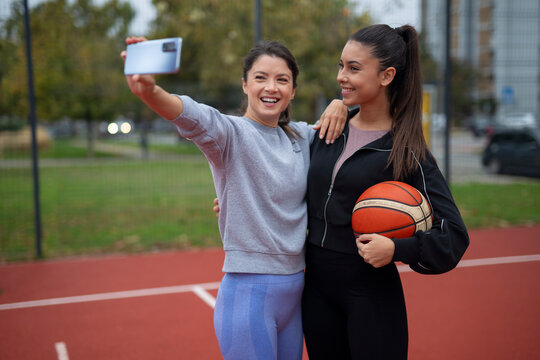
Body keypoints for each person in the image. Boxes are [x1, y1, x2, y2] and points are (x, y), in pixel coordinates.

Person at [121, 37, 345, 360]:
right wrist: (149, 93)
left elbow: (351, 127)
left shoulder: (302, 137)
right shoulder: (231, 135)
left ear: (293, 90)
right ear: (244, 85)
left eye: (282, 80)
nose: (272, 87)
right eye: (260, 78)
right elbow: (194, 117)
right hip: (248, 296)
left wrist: (341, 105)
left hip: (295, 291)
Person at [302, 24, 469, 359]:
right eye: (341, 66)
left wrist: (397, 248)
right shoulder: (327, 131)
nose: (341, 77)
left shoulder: (407, 151)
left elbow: (453, 237)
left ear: (386, 75)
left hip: (370, 293)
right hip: (315, 288)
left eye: (354, 68)